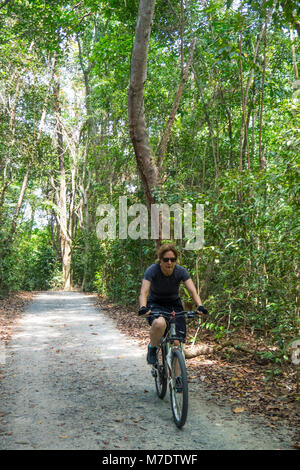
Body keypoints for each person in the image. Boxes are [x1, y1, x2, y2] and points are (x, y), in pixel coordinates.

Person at [138, 243, 208, 365]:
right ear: (160, 260)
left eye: (173, 259)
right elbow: (144, 292)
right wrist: (143, 307)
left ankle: (178, 380)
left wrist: (200, 305)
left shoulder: (181, 271)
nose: (169, 263)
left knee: (177, 344)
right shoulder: (152, 270)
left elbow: (192, 291)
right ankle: (152, 348)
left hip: (174, 305)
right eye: (166, 259)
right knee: (159, 324)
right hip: (156, 303)